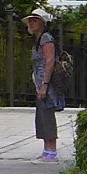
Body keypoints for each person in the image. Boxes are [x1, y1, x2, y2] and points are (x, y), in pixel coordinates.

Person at [25, 11, 63, 163]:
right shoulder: (38, 39)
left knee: (47, 114)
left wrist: (44, 85)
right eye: (31, 21)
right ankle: (47, 150)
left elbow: (49, 60)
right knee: (41, 115)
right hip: (40, 82)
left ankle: (51, 151)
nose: (32, 23)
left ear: (42, 23)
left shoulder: (46, 38)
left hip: (46, 83)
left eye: (35, 20)